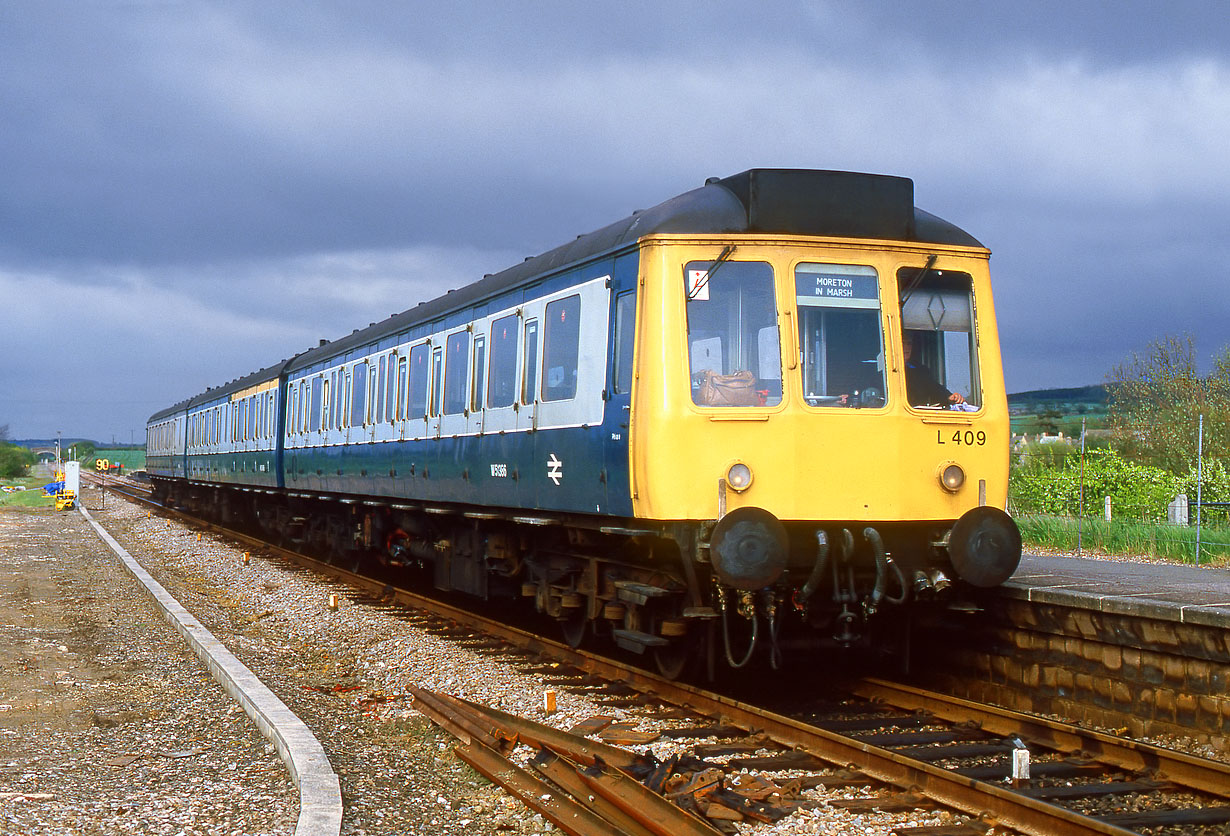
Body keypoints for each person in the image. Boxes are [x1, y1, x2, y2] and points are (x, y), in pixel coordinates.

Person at [903, 333, 965, 407]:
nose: (906, 347)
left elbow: (934, 388)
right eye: (903, 343)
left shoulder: (920, 371)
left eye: (909, 343)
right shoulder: (885, 370)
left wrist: (950, 397)